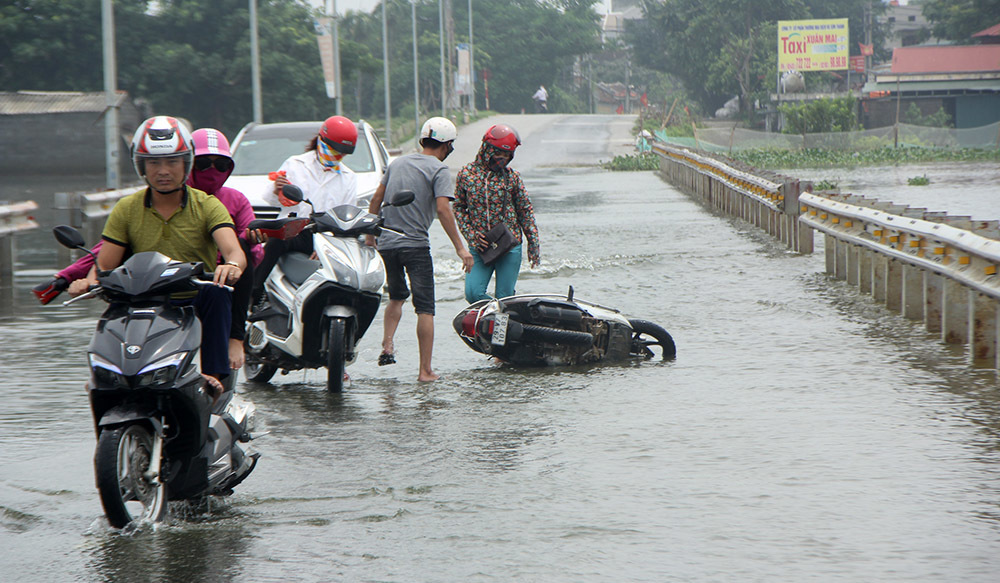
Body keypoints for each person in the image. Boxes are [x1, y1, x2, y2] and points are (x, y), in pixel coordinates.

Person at [37, 128, 262, 371]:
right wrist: (88, 282)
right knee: (113, 308)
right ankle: (104, 372)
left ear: (185, 165)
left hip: (192, 291)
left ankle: (215, 376)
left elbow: (234, 249)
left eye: (172, 162)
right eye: (153, 162)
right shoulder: (126, 208)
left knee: (218, 293)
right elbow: (105, 262)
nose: (163, 170)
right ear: (141, 167)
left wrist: (232, 265)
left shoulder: (209, 205)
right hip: (142, 293)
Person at [364, 117, 474, 381]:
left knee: (396, 296)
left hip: (387, 244)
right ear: (447, 145)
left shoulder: (397, 163)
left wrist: (370, 237)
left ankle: (387, 344)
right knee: (425, 308)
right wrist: (461, 248)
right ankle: (425, 371)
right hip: (415, 245)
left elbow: (376, 200)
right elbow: (443, 210)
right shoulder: (438, 170)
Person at [250, 115, 359, 304]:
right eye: (334, 150)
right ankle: (255, 291)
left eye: (342, 153)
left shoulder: (349, 178)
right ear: (321, 140)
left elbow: (347, 219)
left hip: (326, 237)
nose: (337, 156)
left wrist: (328, 246)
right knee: (277, 240)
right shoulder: (295, 164)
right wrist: (277, 190)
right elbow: (272, 200)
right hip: (296, 230)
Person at [453, 124, 540, 304]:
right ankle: (500, 313)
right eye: (499, 153)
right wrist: (472, 236)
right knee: (473, 294)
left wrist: (533, 243)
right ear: (486, 149)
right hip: (480, 247)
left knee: (505, 297)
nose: (502, 159)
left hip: (509, 246)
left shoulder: (512, 177)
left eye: (507, 155)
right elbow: (459, 208)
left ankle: (505, 324)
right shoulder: (466, 174)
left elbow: (525, 211)